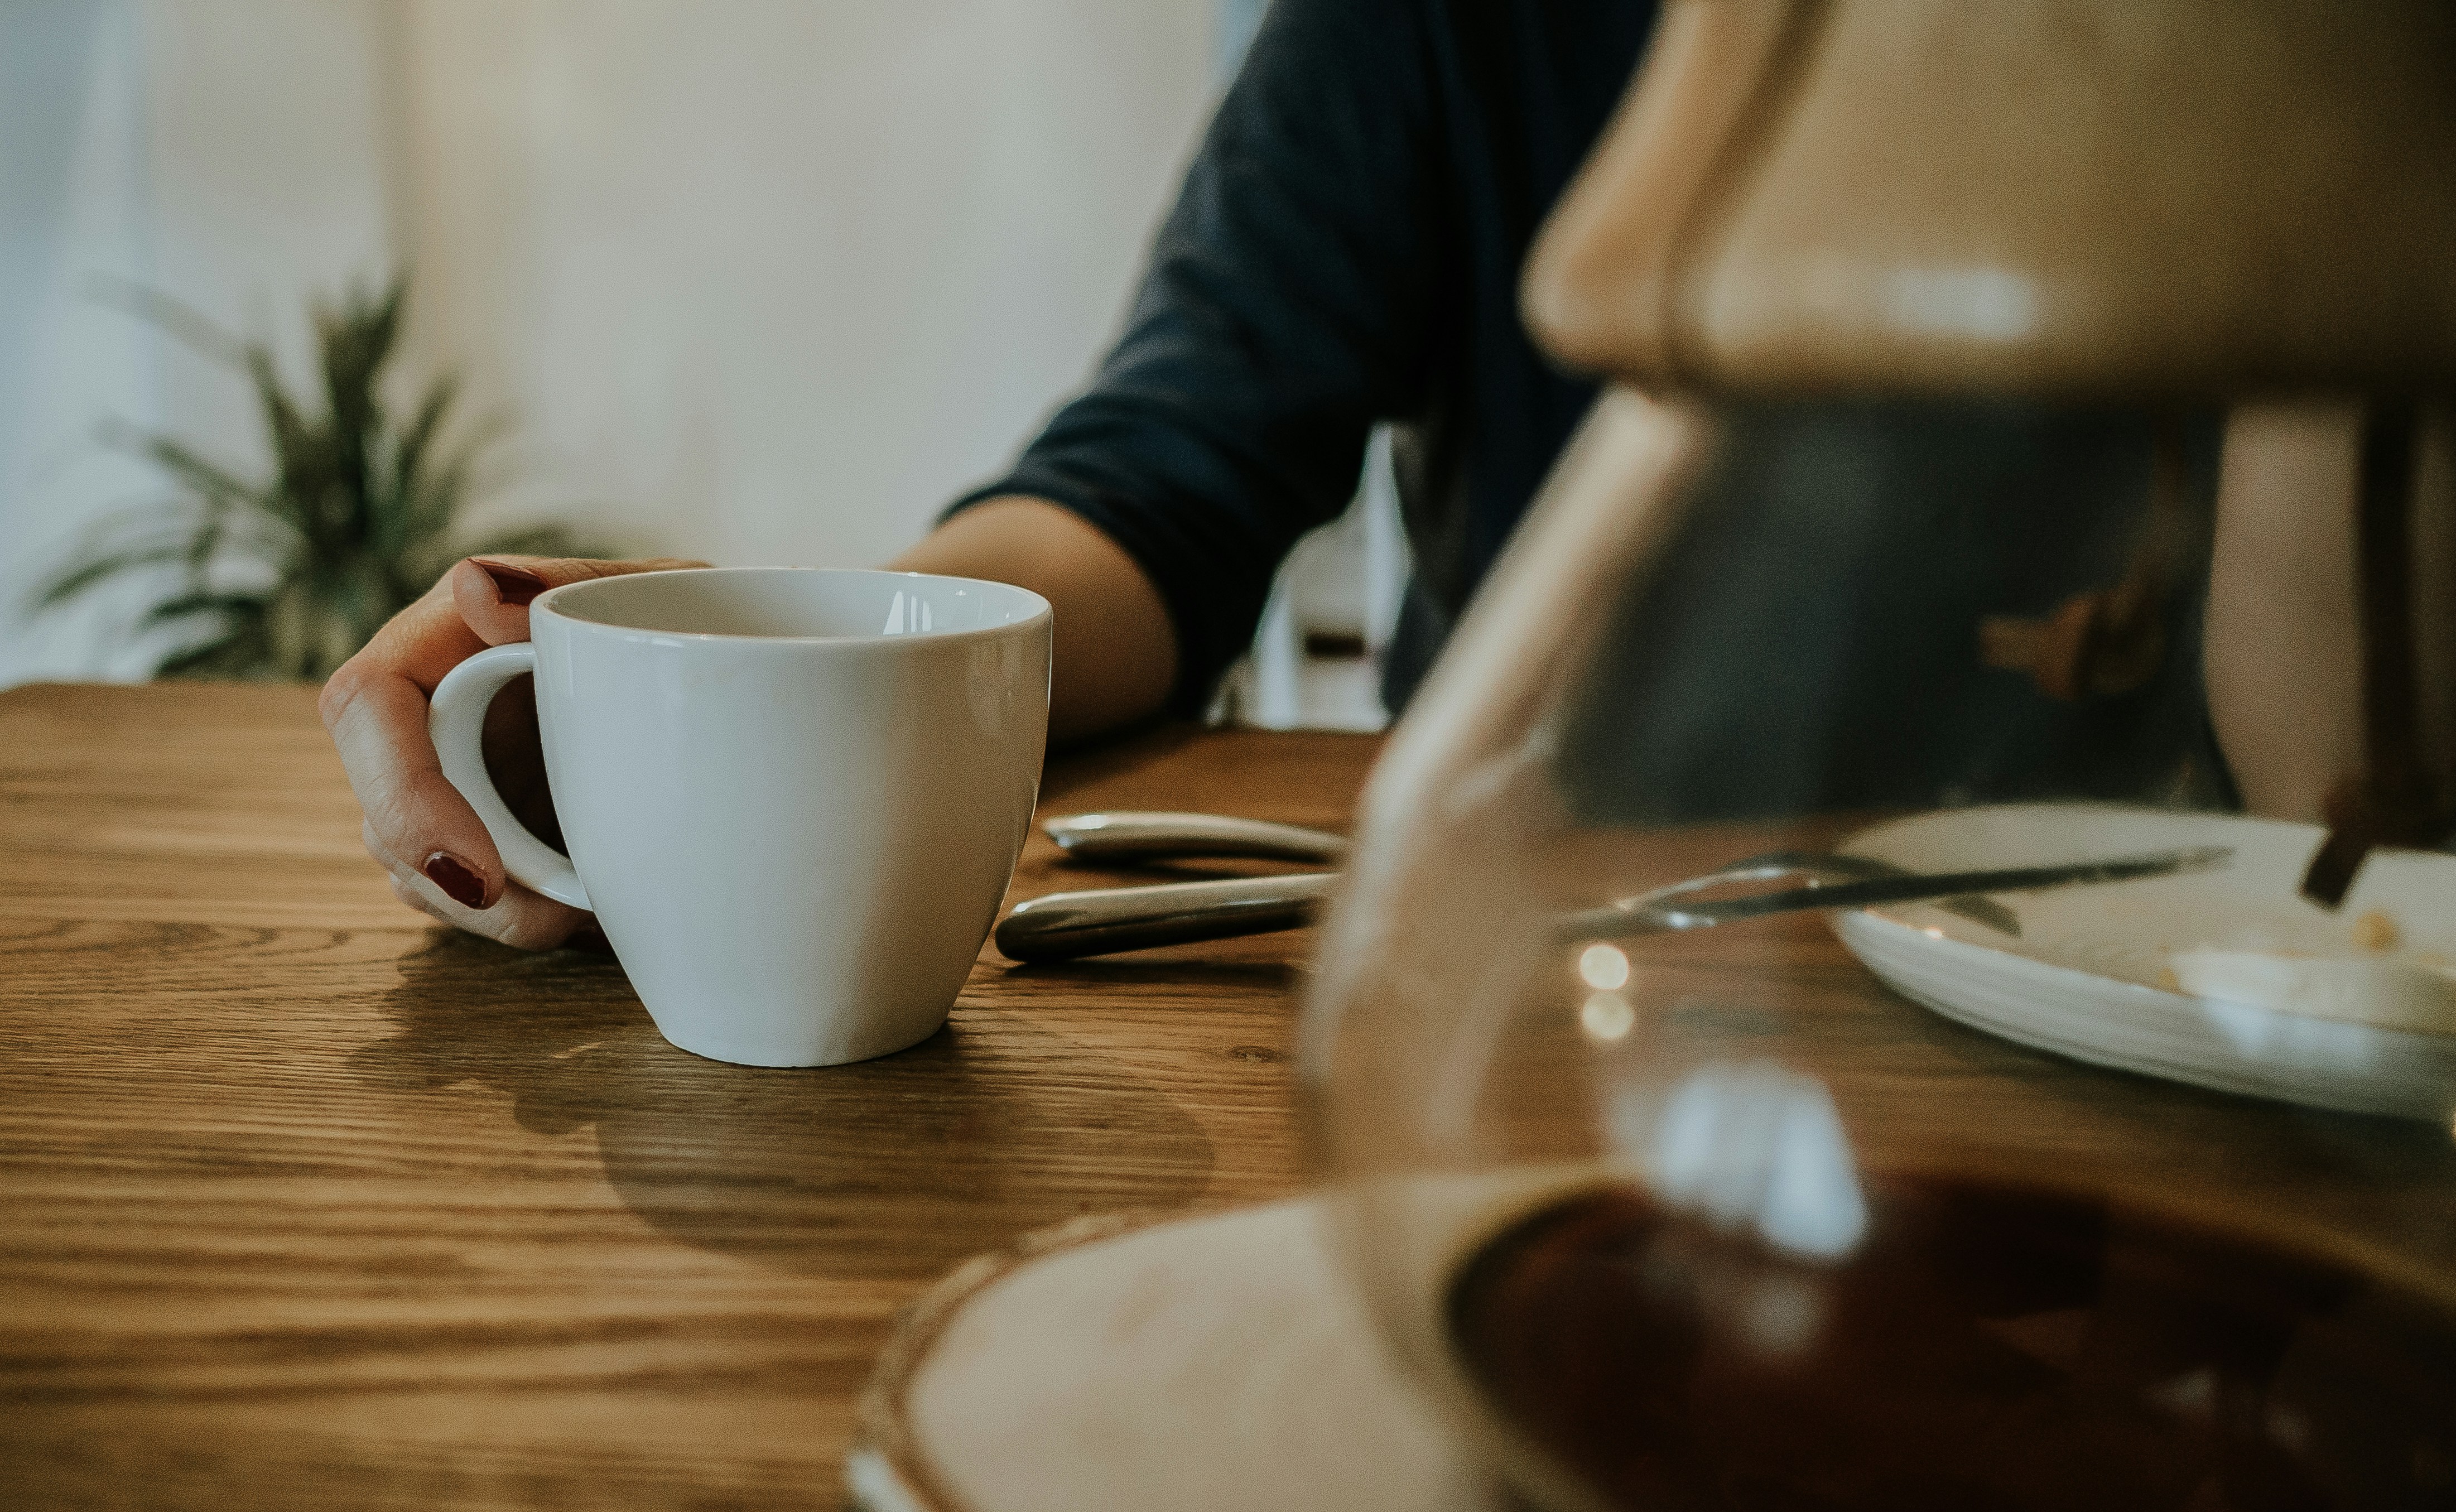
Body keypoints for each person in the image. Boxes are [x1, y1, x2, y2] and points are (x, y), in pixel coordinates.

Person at [323, 0, 2407, 956]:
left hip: (2172, 997)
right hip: (1551, 992)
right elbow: (1162, 480)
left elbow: (2348, 804)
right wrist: (792, 677)